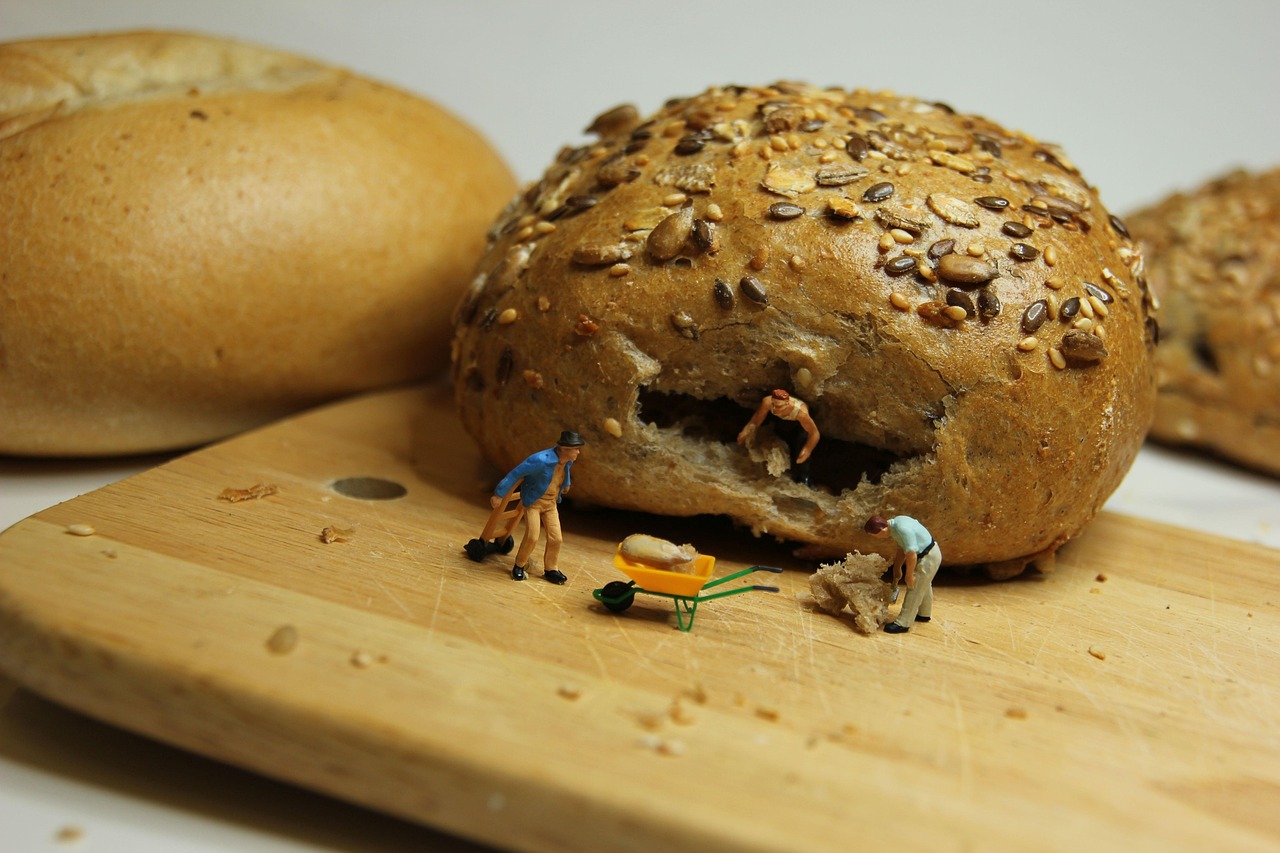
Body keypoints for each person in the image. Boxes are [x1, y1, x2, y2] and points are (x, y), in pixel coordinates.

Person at [491, 431, 585, 583]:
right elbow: (515, 474)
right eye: (576, 449)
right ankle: (519, 565)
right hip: (534, 502)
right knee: (532, 536)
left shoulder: (567, 460)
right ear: (565, 449)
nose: (578, 452)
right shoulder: (540, 460)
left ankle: (551, 569)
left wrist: (566, 484)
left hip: (551, 504)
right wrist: (499, 494)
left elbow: (565, 472)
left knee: (556, 538)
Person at [864, 514, 940, 633]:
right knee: (923, 585)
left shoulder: (901, 529)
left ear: (881, 530)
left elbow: (911, 554)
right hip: (927, 554)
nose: (877, 538)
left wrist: (909, 575)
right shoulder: (895, 527)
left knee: (914, 587)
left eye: (875, 536)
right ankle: (924, 613)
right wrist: (897, 568)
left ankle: (903, 622)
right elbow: (901, 550)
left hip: (928, 556)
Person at [737, 389, 820, 485]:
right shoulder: (767, 402)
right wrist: (746, 430)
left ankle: (804, 478)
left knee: (801, 445)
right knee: (777, 433)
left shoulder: (801, 413)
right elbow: (757, 419)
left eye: (779, 406)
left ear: (787, 404)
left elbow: (815, 433)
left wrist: (807, 449)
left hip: (800, 424)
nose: (775, 409)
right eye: (773, 405)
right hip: (782, 420)